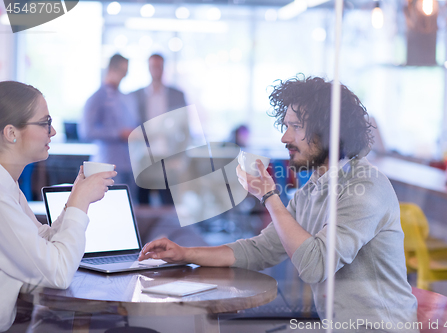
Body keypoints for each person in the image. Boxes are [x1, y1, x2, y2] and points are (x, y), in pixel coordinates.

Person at [138, 76, 418, 332]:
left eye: (296, 127)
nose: (285, 138)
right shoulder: (314, 188)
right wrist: (185, 253)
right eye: (286, 126)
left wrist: (270, 197)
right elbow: (260, 250)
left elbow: (315, 265)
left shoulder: (365, 187)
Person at [0, 81, 116, 332]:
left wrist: (74, 198)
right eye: (44, 123)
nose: (52, 132)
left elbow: (42, 244)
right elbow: (58, 273)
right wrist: (80, 202)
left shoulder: (8, 187)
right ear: (11, 133)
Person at [129, 54, 188, 205]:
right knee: (142, 204)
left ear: (164, 68)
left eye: (159, 67)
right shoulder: (135, 96)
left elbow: (186, 130)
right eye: (153, 67)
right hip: (143, 157)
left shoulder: (177, 95)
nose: (156, 70)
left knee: (169, 204)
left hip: (168, 157)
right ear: (148, 68)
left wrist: (180, 157)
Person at [80, 54, 137, 200]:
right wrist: (118, 133)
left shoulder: (125, 98)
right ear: (112, 69)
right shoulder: (97, 98)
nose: (125, 75)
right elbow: (86, 131)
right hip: (106, 164)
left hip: (128, 166)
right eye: (122, 71)